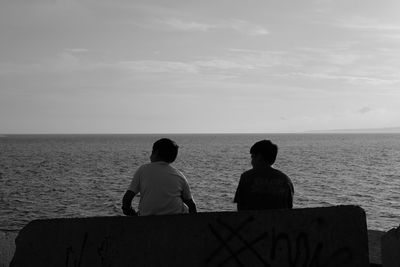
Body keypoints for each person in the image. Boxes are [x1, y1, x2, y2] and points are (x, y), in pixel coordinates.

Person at [122, 138, 197, 216]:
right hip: (177, 220)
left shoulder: (143, 170)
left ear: (156, 152)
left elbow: (127, 199)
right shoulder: (179, 175)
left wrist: (132, 214)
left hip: (147, 219)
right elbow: (191, 205)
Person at [234, 140, 294, 211]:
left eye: (252, 157)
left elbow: (240, 207)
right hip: (278, 221)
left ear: (259, 157)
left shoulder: (246, 177)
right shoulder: (285, 180)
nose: (251, 161)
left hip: (252, 221)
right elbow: (289, 207)